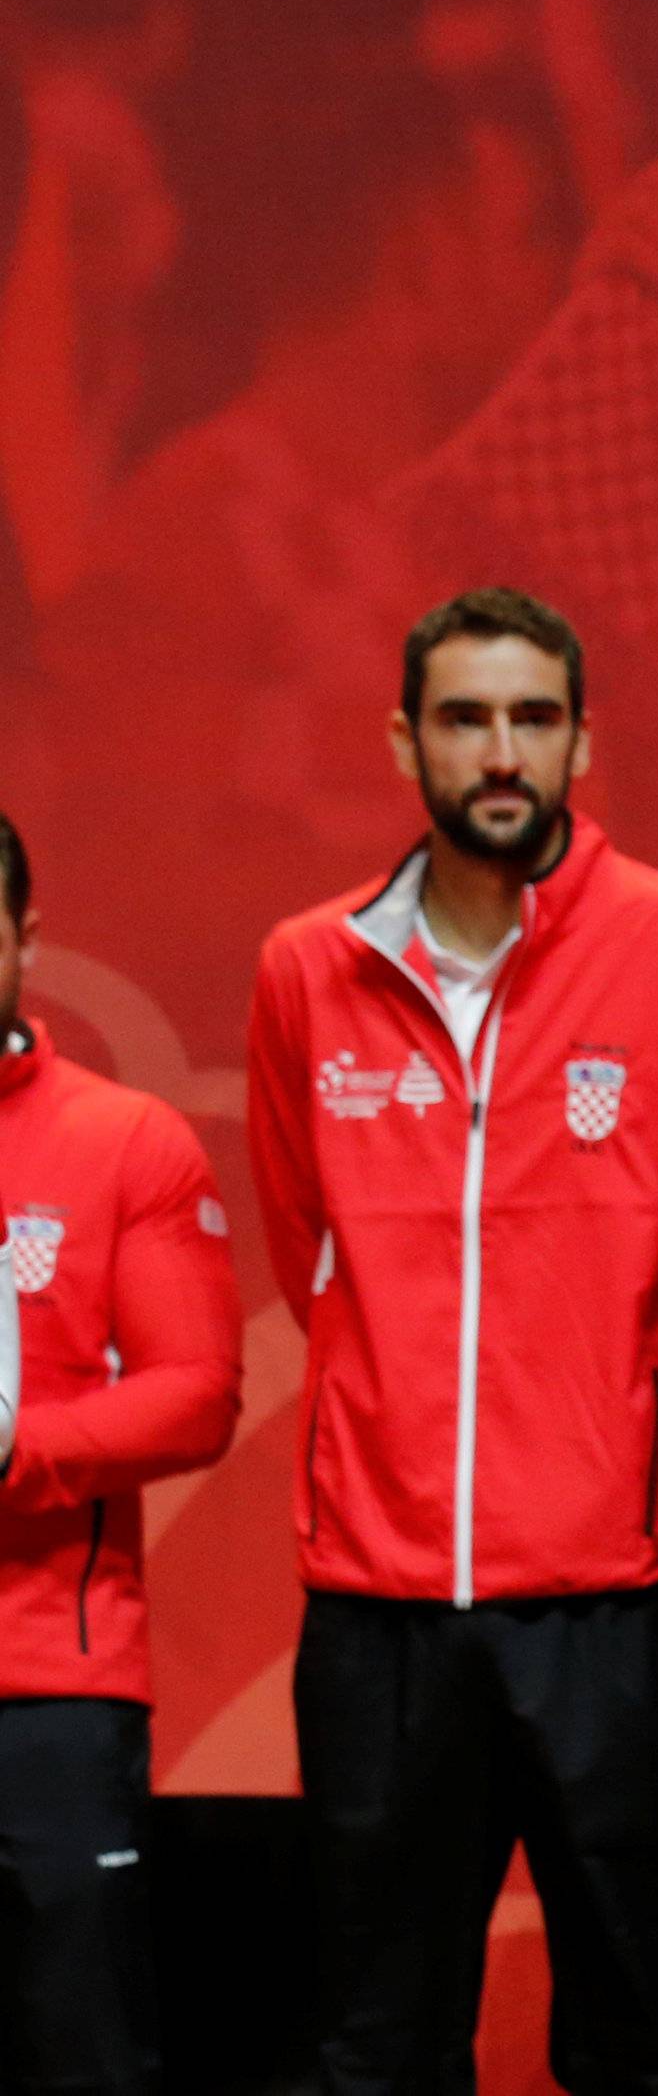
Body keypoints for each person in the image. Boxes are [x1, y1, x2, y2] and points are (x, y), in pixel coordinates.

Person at [246, 587, 658, 2095]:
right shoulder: (308, 965)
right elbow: (309, 1243)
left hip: (621, 1599)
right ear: (405, 736)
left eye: (533, 718)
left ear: (583, 740)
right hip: (379, 1606)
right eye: (467, 717)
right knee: (378, 2033)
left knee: (645, 2029)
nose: (501, 752)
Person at [0, 809, 244, 2093]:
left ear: (24, 938)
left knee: (76, 2047)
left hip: (50, 1677)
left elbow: (197, 1396)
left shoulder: (122, 1140)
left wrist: (12, 1452)